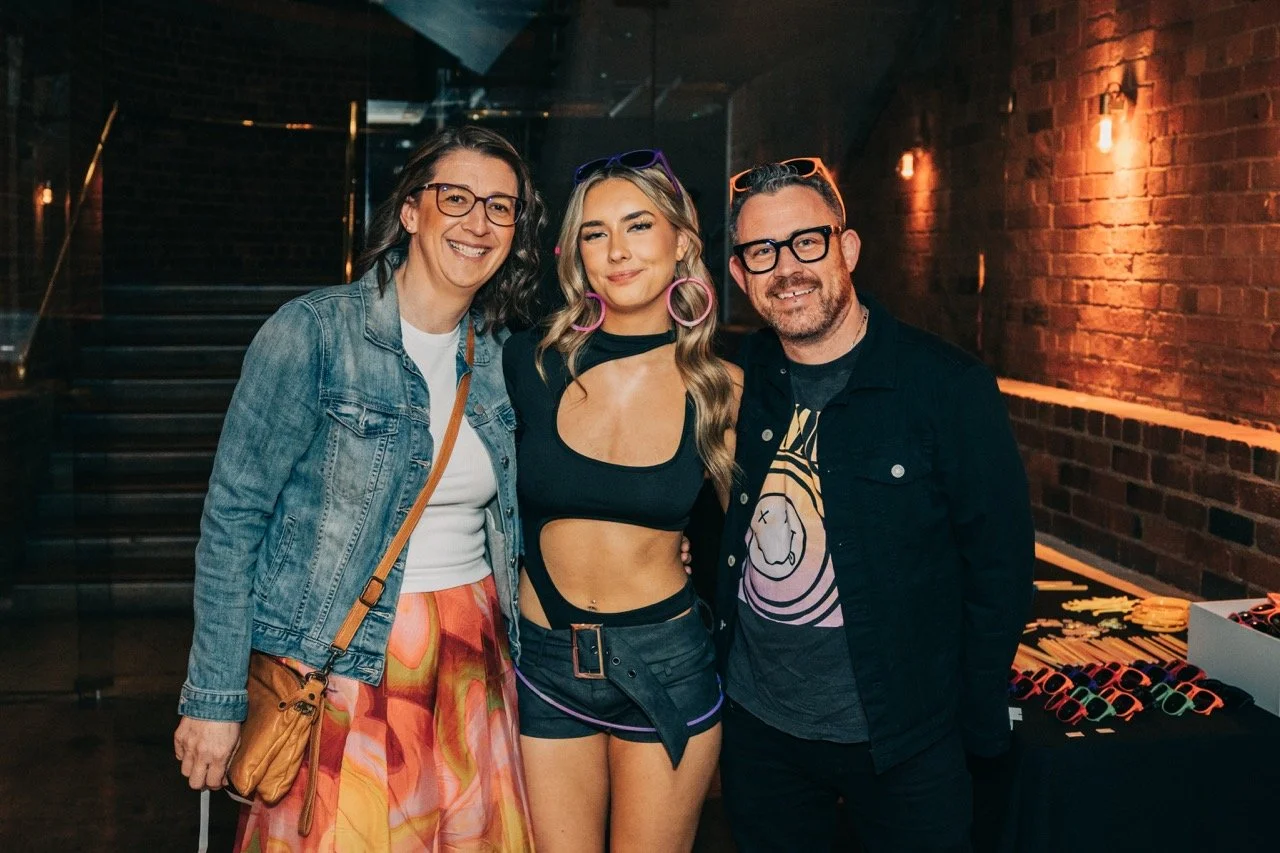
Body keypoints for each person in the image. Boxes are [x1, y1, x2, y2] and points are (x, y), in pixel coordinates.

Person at [172, 125, 546, 852]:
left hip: (472, 665)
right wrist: (214, 697)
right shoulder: (312, 334)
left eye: (501, 207)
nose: (479, 222)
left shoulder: (502, 358)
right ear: (411, 211)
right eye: (457, 197)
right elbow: (233, 519)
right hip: (340, 668)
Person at [714, 157, 1035, 853]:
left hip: (905, 743)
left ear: (847, 247)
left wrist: (976, 724)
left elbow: (1001, 571)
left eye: (808, 241)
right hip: (761, 734)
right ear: (740, 276)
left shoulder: (947, 389)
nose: (787, 266)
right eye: (761, 251)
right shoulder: (743, 378)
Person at [502, 149, 741, 853]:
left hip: (665, 662)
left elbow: (766, 536)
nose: (616, 250)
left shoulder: (720, 386)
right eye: (594, 232)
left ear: (682, 242)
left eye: (638, 225)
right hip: (545, 662)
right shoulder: (528, 360)